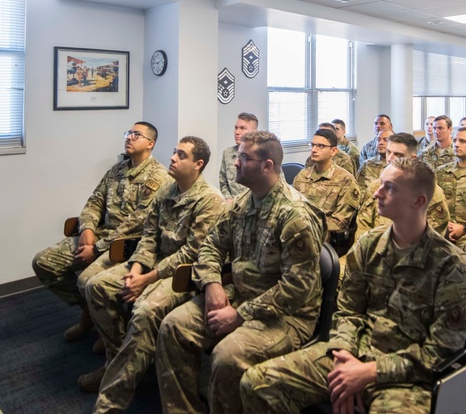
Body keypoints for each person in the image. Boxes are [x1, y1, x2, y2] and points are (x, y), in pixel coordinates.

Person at [240, 157, 466, 413]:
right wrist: (345, 360)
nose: (377, 192)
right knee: (257, 383)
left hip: (405, 378)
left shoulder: (452, 265)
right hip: (352, 352)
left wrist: (369, 372)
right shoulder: (369, 245)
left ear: (418, 201)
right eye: (380, 184)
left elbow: (440, 352)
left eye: (390, 188)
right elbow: (347, 312)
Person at [156, 130, 326, 414]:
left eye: (243, 158)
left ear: (267, 166)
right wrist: (212, 284)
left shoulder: (294, 215)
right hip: (241, 294)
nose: (235, 162)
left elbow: (297, 289)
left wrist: (239, 315)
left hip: (286, 316)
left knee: (226, 357)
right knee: (173, 326)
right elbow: (211, 245)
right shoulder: (243, 203)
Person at [82, 136, 224, 409]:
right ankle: (119, 359)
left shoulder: (210, 200)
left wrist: (146, 279)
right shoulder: (167, 190)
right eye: (174, 152)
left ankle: (111, 401)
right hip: (151, 263)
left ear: (198, 164)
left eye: (181, 155)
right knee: (96, 286)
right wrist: (136, 270)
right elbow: (149, 236)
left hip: (180, 272)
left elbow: (192, 253)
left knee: (145, 310)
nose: (172, 158)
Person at [32, 122, 169, 343]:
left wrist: (96, 248)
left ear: (150, 144)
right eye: (128, 133)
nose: (130, 137)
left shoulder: (159, 177)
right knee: (44, 262)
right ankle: (90, 312)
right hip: (99, 235)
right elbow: (95, 201)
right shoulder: (117, 170)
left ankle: (114, 336)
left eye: (137, 134)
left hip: (126, 244)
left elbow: (138, 222)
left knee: (87, 282)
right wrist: (87, 229)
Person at [353, 132, 450, 241]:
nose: (390, 158)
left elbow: (433, 240)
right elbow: (363, 228)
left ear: (413, 158)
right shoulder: (376, 187)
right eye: (388, 152)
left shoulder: (430, 191)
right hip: (374, 252)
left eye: (398, 154)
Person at [292, 128, 362, 239]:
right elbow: (292, 209)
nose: (314, 150)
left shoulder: (345, 180)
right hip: (298, 235)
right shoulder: (302, 176)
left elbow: (340, 222)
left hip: (326, 239)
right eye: (313, 145)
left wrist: (308, 228)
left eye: (320, 146)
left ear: (333, 151)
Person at [219, 112, 259, 200]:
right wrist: (228, 198)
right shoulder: (228, 153)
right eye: (236, 128)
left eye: (242, 128)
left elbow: (277, 183)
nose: (237, 132)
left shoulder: (262, 154)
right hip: (233, 206)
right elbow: (223, 182)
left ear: (254, 132)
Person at [355, 129, 392, 195]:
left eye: (385, 140)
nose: (380, 143)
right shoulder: (367, 164)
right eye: (378, 140)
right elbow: (357, 188)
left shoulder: (396, 166)